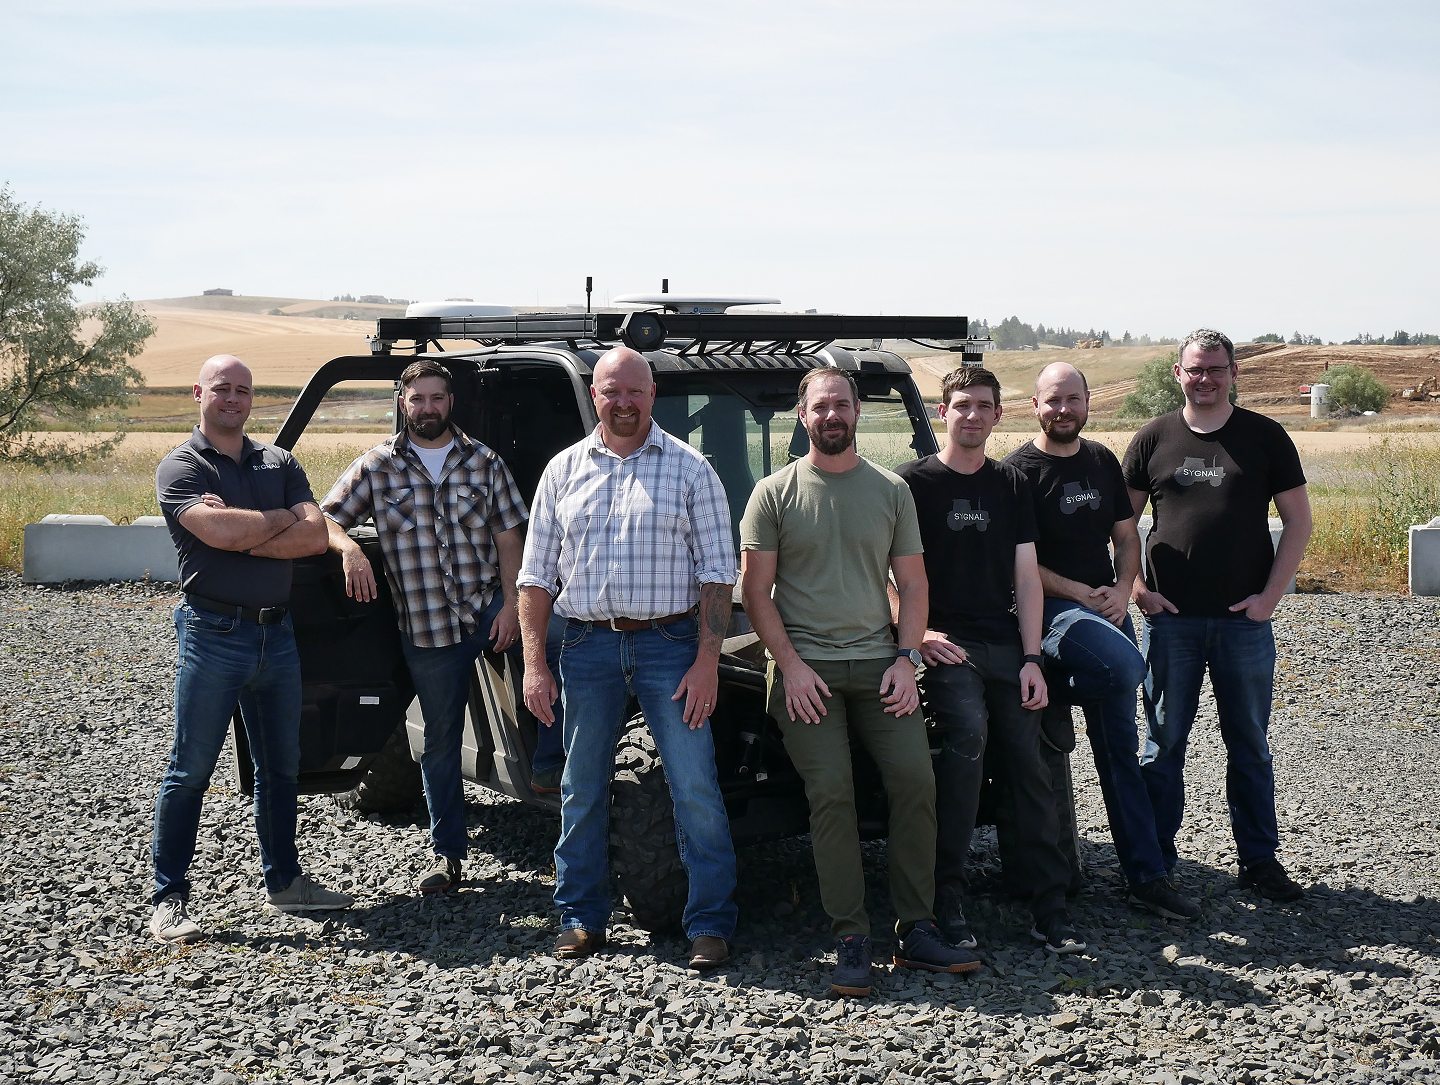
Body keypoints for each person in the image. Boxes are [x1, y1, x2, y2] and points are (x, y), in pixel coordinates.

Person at [741, 366, 980, 999]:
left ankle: (917, 928)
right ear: (804, 415)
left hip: (881, 663)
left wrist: (907, 658)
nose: (831, 417)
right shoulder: (773, 493)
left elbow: (915, 585)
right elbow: (755, 593)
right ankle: (850, 934)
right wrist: (789, 666)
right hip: (803, 671)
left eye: (841, 406)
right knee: (832, 792)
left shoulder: (889, 491)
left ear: (856, 413)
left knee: (915, 780)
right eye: (820, 407)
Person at [517, 346, 738, 971]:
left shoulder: (692, 470)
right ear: (595, 396)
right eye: (611, 391)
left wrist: (706, 661)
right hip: (587, 645)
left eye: (634, 391)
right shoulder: (562, 472)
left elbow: (718, 576)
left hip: (672, 645)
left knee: (694, 785)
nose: (623, 403)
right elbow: (534, 578)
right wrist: (536, 664)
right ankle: (583, 917)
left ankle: (711, 924)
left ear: (653, 394)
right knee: (580, 785)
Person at [150, 354, 353, 942]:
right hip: (212, 634)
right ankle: (170, 898)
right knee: (191, 770)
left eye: (243, 389)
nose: (233, 398)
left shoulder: (277, 461)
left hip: (278, 635)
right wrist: (276, 521)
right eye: (222, 388)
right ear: (198, 393)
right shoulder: (180, 467)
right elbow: (220, 534)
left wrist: (244, 531)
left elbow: (315, 535)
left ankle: (285, 884)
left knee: (280, 769)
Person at [896, 366, 1088, 956]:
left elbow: (1027, 578)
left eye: (984, 405)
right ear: (940, 413)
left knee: (1029, 756)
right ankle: (946, 894)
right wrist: (917, 632)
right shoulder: (910, 485)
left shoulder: (1010, 485)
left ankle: (1048, 903)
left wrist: (1033, 658)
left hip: (1006, 644)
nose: (972, 415)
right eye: (961, 405)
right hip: (945, 643)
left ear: (1000, 415)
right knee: (967, 740)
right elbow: (887, 573)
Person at [322, 359, 529, 895]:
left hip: (485, 606)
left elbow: (511, 539)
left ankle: (549, 769)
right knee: (439, 742)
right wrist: (348, 550)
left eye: (437, 398)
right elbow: (324, 519)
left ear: (450, 402)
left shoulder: (483, 461)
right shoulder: (376, 467)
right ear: (402, 402)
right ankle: (449, 856)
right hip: (427, 626)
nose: (428, 408)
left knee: (560, 644)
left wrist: (511, 607)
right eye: (418, 399)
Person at [1003, 362, 1200, 920]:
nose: (1063, 409)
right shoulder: (1019, 472)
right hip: (1056, 613)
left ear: (1087, 403)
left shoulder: (1101, 461)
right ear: (1034, 406)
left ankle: (1146, 877)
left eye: (1073, 399)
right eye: (1052, 400)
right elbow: (1022, 563)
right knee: (1127, 668)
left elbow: (1125, 535)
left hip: (1107, 610)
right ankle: (1057, 687)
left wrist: (1120, 588)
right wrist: (1082, 593)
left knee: (1120, 753)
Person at [1122, 329, 1312, 902]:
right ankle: (1154, 865)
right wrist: (1135, 589)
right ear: (1177, 373)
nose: (1205, 378)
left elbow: (1298, 522)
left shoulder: (1265, 436)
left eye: (1216, 369)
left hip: (1242, 623)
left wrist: (1269, 599)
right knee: (1162, 744)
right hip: (1169, 620)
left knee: (1250, 743)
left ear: (1234, 373)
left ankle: (1259, 861)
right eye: (1194, 369)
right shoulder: (1154, 437)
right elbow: (1121, 525)